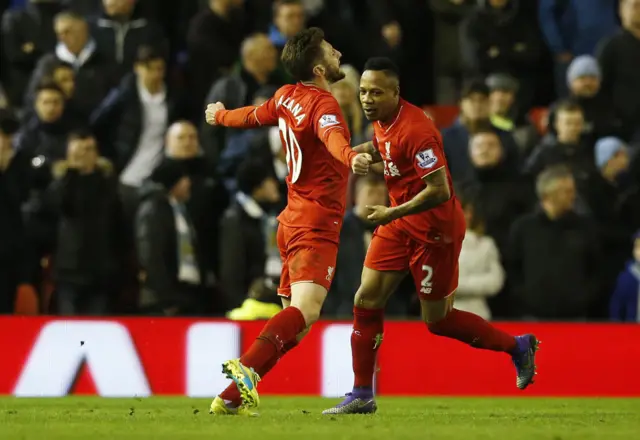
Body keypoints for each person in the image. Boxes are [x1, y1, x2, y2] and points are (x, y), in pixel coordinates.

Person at [323, 57, 538, 415]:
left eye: (376, 92)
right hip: (400, 222)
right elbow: (385, 148)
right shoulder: (385, 122)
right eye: (363, 91)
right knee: (367, 299)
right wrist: (353, 155)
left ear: (396, 93)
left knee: (438, 321)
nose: (367, 99)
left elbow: (438, 189)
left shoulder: (417, 129)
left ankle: (518, 346)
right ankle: (361, 391)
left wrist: (391, 211)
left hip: (434, 230)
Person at [204, 27, 373, 415]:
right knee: (307, 310)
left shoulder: (285, 96)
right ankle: (245, 369)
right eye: (332, 52)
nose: (339, 53)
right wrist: (351, 158)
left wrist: (220, 115)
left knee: (294, 321)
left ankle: (230, 398)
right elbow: (332, 141)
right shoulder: (325, 105)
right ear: (318, 68)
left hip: (291, 219)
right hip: (316, 222)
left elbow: (252, 115)